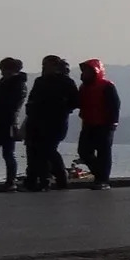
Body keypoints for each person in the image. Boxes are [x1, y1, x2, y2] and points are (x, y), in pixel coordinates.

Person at [22, 56, 76, 190]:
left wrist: (61, 107)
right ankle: (38, 180)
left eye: (47, 65)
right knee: (34, 150)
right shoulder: (39, 81)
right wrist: (30, 109)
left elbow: (75, 101)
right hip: (36, 120)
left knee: (48, 150)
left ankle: (60, 176)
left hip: (56, 121)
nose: (44, 67)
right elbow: (32, 98)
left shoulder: (66, 82)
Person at [74, 60, 119, 187]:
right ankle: (100, 175)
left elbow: (114, 105)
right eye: (83, 71)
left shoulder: (107, 86)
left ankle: (102, 180)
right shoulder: (83, 87)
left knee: (103, 152)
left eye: (87, 71)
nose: (84, 74)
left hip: (105, 124)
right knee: (83, 151)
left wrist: (113, 122)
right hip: (88, 123)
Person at [0, 57, 22, 189]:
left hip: (8, 122)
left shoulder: (17, 84)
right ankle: (10, 180)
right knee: (8, 153)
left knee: (8, 153)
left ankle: (11, 181)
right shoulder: (4, 82)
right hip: (1, 121)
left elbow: (12, 104)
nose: (2, 72)